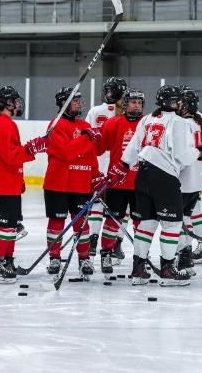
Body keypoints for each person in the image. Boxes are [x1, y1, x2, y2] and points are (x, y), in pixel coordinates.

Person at [113, 85, 202, 287]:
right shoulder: (177, 122)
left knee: (147, 224)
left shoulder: (148, 119)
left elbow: (133, 149)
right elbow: (181, 156)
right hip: (164, 177)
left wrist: (122, 167)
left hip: (142, 175)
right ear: (174, 103)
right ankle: (167, 269)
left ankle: (138, 270)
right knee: (172, 225)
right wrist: (201, 151)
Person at [0, 85, 48, 284]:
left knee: (10, 227)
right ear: (6, 103)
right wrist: (33, 148)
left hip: (6, 182)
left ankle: (7, 261)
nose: (18, 103)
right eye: (15, 100)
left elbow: (10, 155)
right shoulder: (2, 124)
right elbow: (10, 156)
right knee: (4, 226)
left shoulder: (3, 123)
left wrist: (19, 178)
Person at [42, 87, 102, 279]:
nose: (79, 103)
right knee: (56, 223)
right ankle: (54, 258)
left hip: (81, 183)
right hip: (57, 184)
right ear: (63, 103)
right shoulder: (55, 125)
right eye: (74, 100)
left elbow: (91, 153)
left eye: (79, 100)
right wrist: (86, 137)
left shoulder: (84, 124)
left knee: (82, 225)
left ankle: (84, 259)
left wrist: (95, 175)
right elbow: (66, 152)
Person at [96, 88, 144, 276]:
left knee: (141, 224)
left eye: (140, 103)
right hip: (116, 182)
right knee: (111, 222)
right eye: (133, 102)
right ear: (125, 104)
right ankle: (106, 254)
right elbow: (99, 149)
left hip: (140, 183)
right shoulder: (112, 123)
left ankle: (140, 259)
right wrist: (90, 136)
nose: (137, 106)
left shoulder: (147, 124)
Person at [84, 77, 128, 261]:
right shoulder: (126, 113)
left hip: (100, 165)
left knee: (96, 205)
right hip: (119, 166)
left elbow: (85, 137)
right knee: (120, 209)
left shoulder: (95, 111)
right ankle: (116, 242)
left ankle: (93, 240)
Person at [175, 87, 202, 276]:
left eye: (180, 102)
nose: (177, 105)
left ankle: (185, 251)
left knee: (184, 215)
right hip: (198, 175)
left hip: (185, 175)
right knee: (194, 211)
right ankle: (201, 245)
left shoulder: (182, 122)